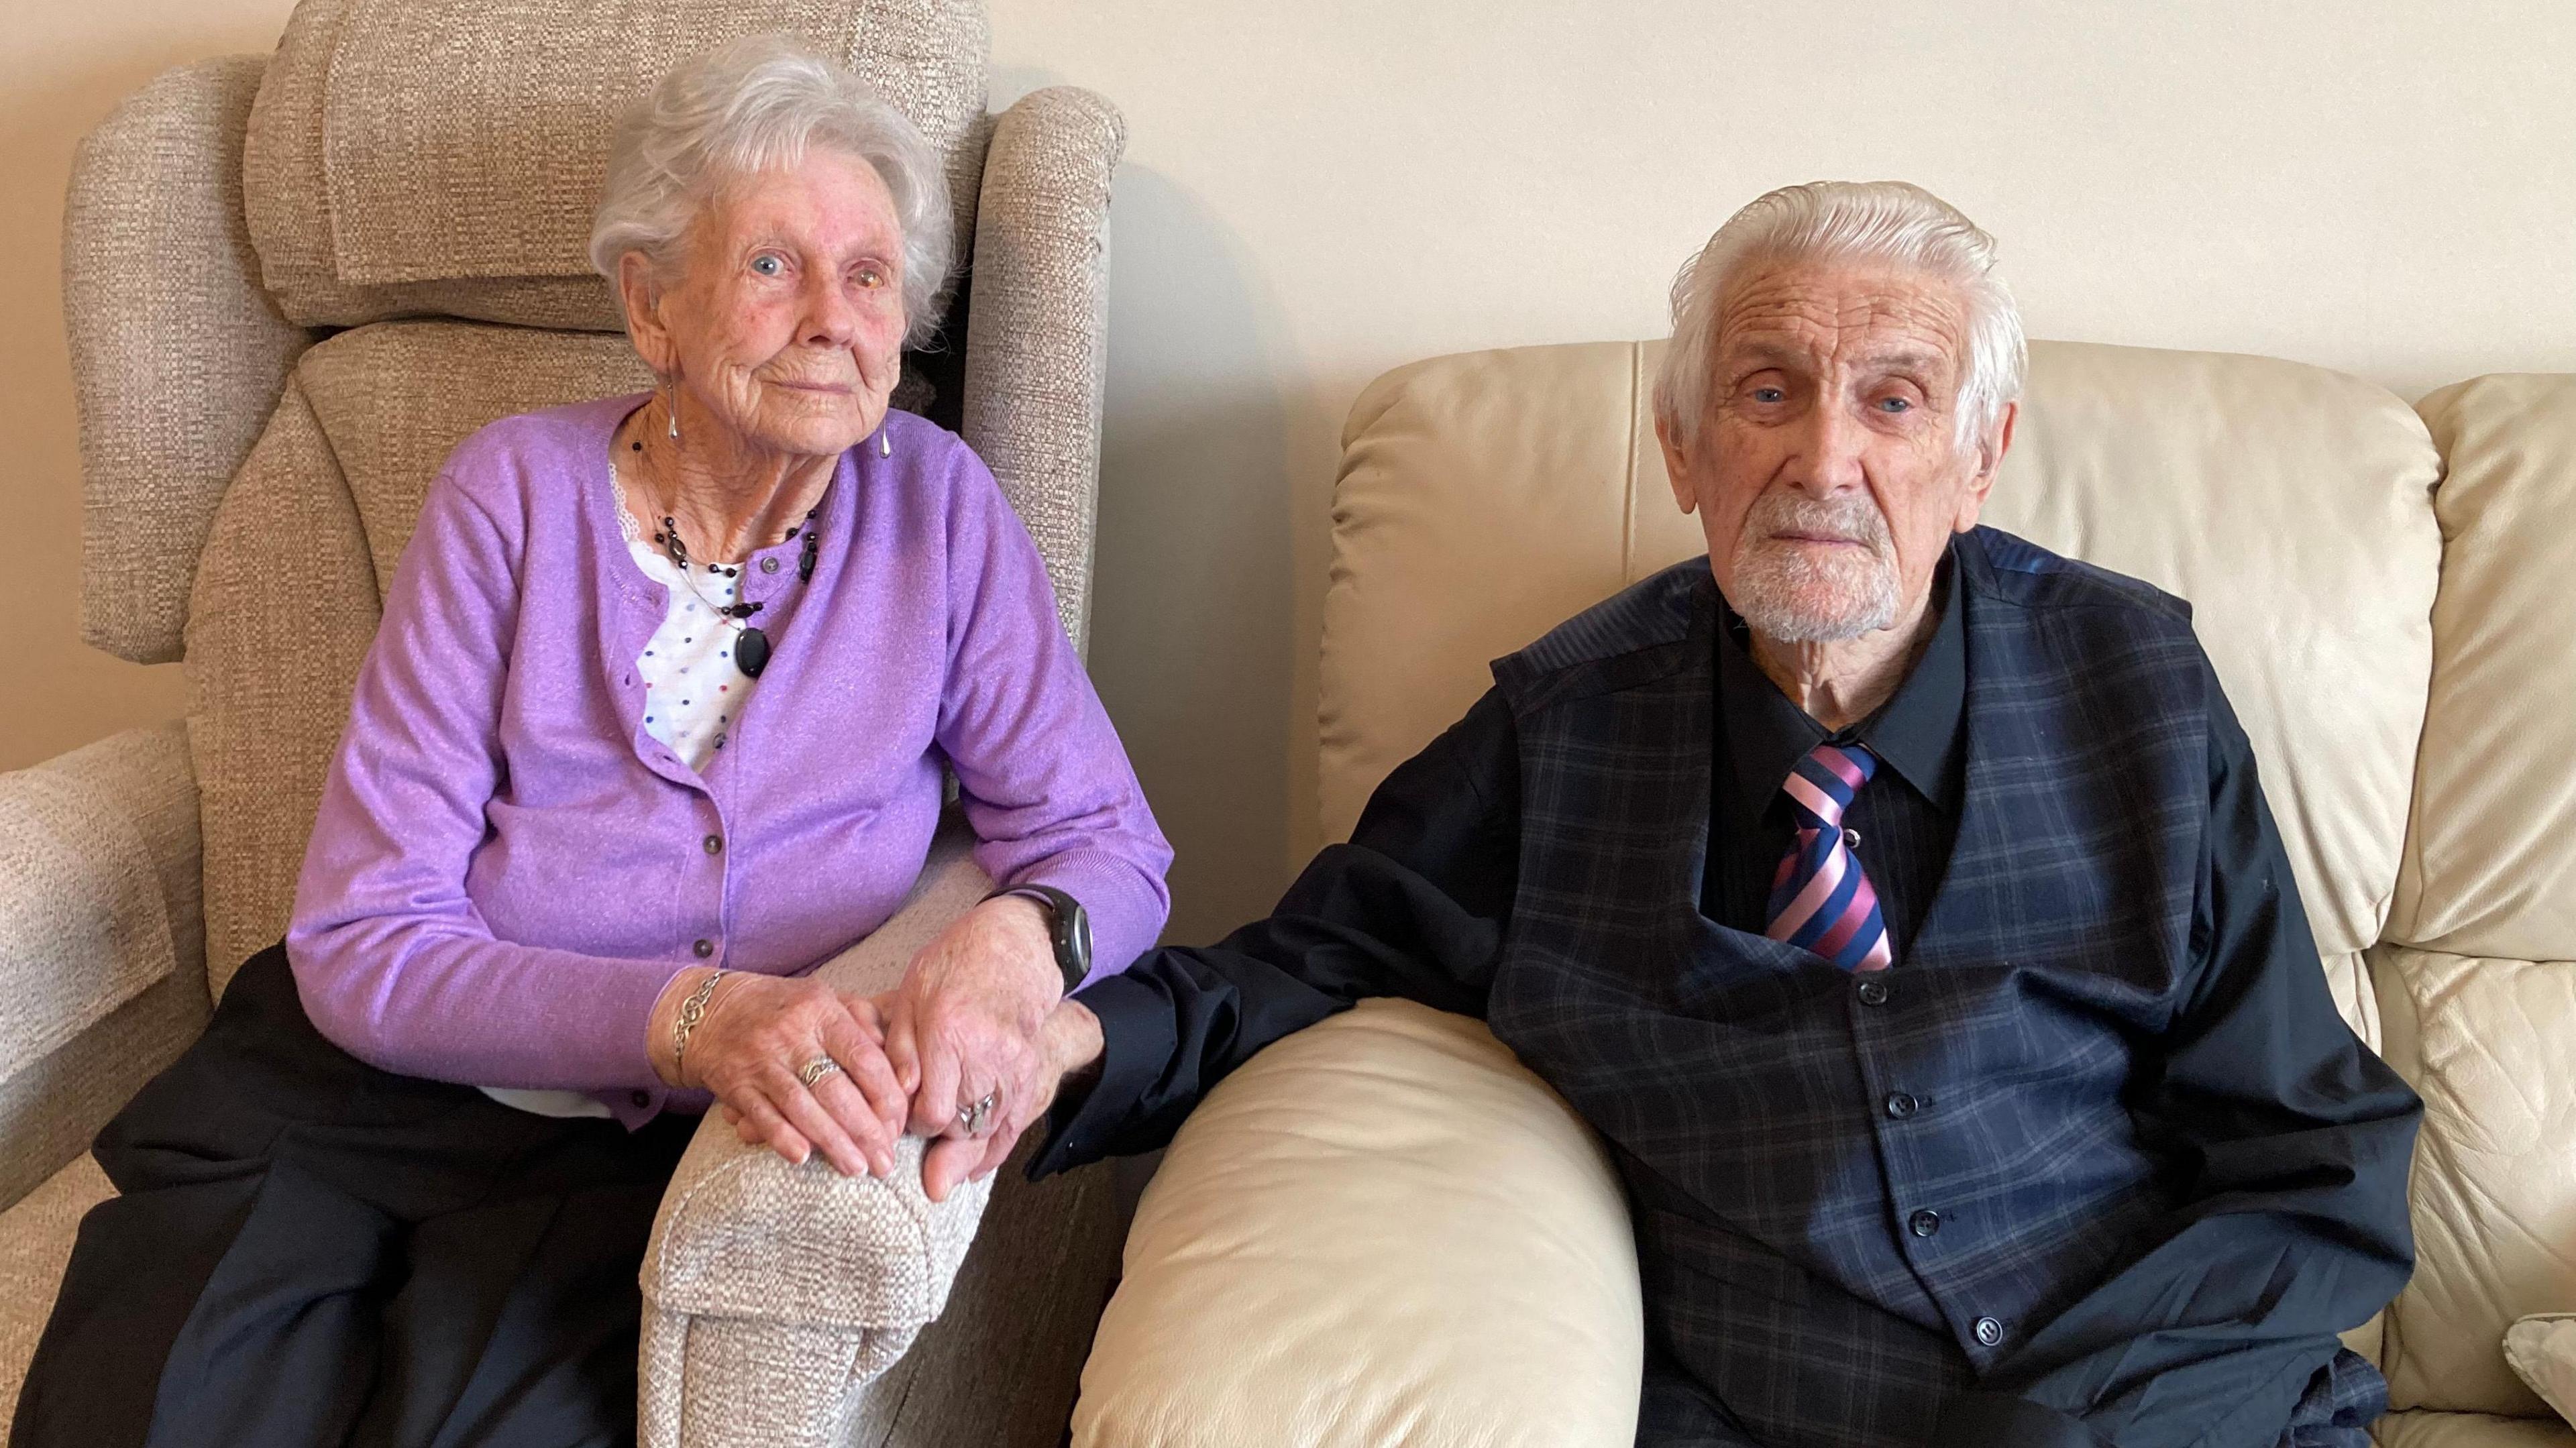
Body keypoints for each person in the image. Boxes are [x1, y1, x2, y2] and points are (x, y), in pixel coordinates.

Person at [998, 182, 2424, 1448]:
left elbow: (2316, 1156)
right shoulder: (1563, 730)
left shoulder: (2142, 691)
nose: (1821, 460)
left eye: (1893, 400)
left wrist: (2072, 1427)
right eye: (1766, 391)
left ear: (1978, 462)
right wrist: (1060, 1042)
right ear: (1684, 451)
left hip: (2150, 1407)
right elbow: (1309, 962)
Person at [11, 35, 1167, 1448]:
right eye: (770, 265)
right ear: (652, 306)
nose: (833, 317)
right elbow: (364, 938)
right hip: (372, 1092)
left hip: (643, 1165)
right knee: (156, 1411)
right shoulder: (508, 495)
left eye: (869, 275)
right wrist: (692, 1017)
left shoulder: (942, 514)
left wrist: (1012, 943)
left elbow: (1107, 841)